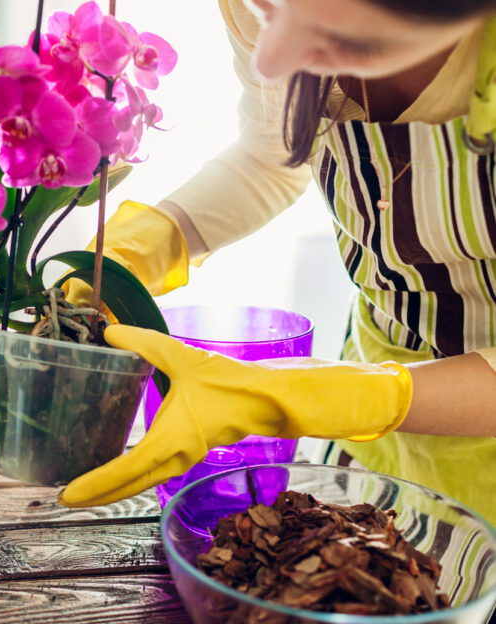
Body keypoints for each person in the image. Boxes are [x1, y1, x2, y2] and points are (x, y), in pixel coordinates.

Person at [58, 0, 496, 532]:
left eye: (332, 33)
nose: (271, 58)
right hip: (377, 443)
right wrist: (149, 243)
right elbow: (274, 150)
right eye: (266, 11)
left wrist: (362, 394)